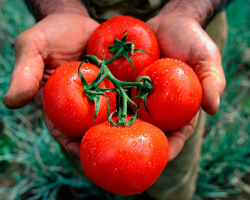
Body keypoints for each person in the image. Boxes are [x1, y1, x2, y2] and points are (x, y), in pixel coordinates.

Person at [3, 0, 231, 199]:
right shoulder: (82, 81)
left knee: (177, 168)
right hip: (74, 30)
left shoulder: (90, 80)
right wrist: (62, 8)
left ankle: (171, 195)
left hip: (189, 27)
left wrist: (187, 10)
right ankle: (96, 188)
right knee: (83, 158)